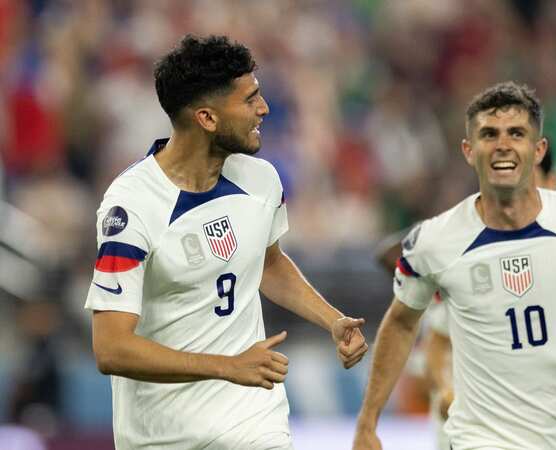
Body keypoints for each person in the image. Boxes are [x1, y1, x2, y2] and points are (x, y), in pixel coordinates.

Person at [85, 35, 368, 450]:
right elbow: (111, 349)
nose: (264, 108)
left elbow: (267, 264)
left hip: (254, 421)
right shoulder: (130, 208)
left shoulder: (262, 179)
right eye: (249, 99)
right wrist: (227, 366)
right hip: (162, 436)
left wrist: (331, 319)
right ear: (207, 118)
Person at [354, 81, 556, 450]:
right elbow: (401, 322)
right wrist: (368, 421)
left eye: (516, 134)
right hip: (480, 441)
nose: (503, 145)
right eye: (489, 134)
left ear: (538, 150)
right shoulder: (435, 241)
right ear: (468, 150)